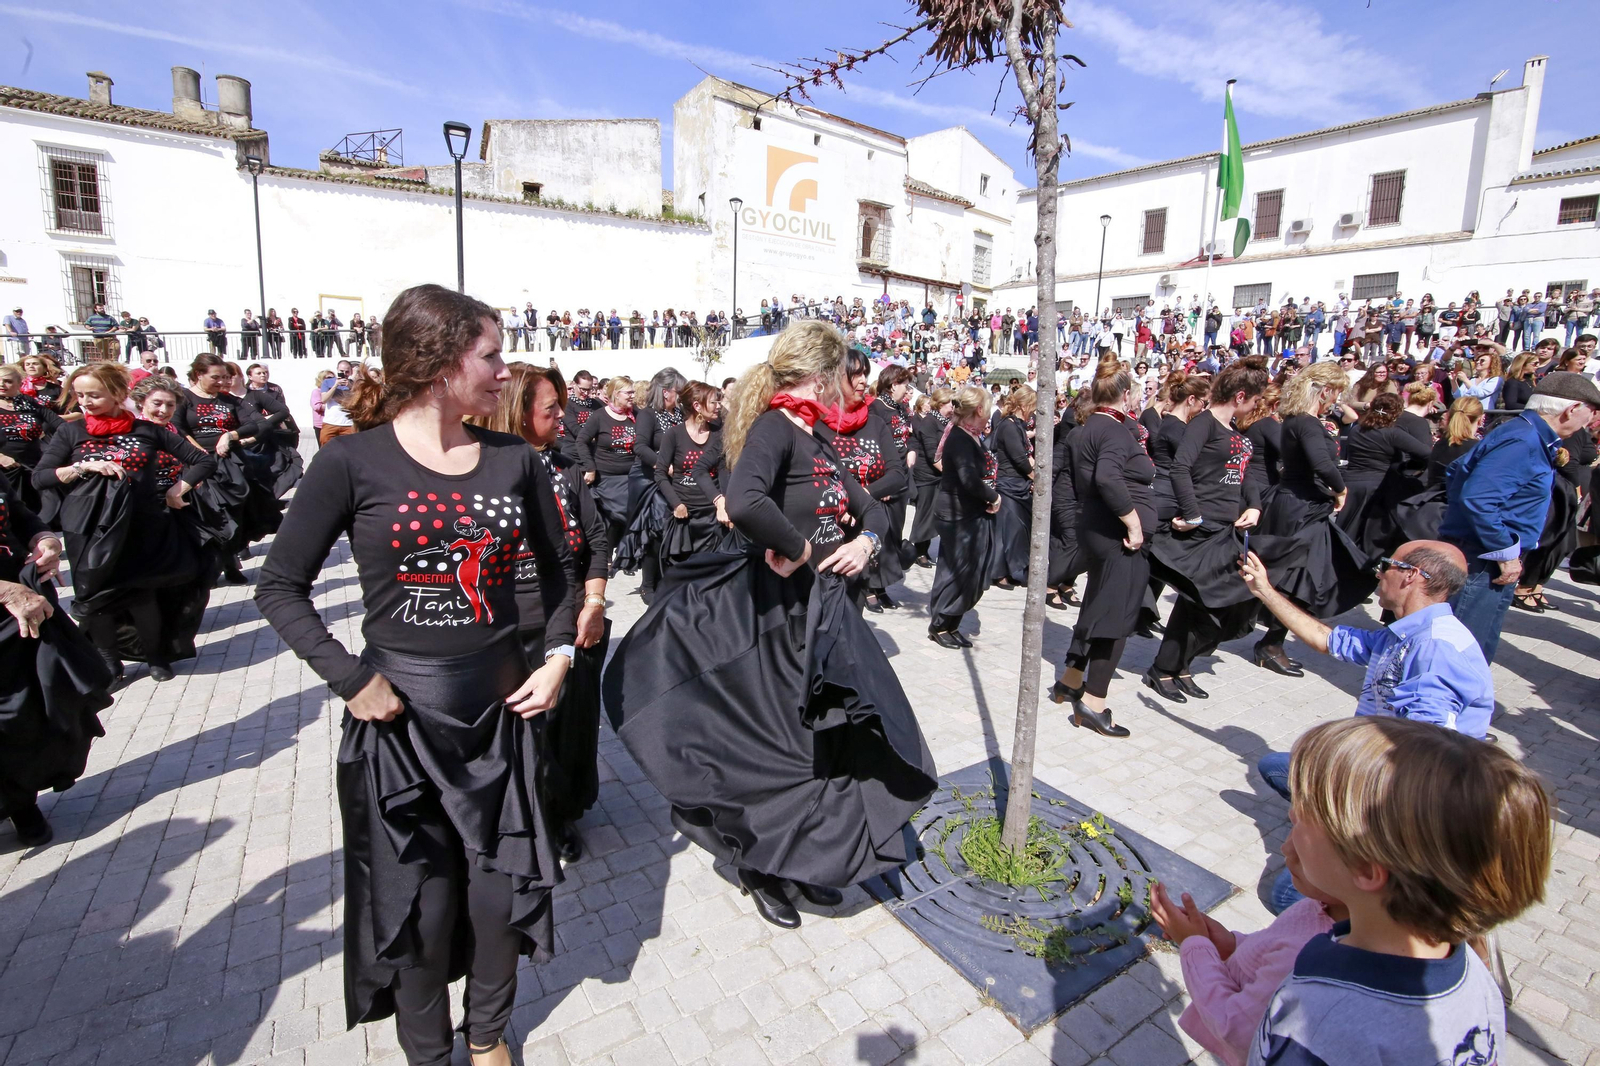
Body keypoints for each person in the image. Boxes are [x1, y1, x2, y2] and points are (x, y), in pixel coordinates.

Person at [254, 284, 577, 1066]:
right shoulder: (349, 462)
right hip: (401, 723)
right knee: (424, 911)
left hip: (503, 714)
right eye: (492, 355)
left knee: (498, 899)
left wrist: (562, 655)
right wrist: (349, 678)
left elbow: (562, 572)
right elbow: (278, 586)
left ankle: (490, 1035)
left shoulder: (516, 460)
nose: (506, 372)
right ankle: (429, 1053)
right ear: (439, 363)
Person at [601, 319, 937, 931]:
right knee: (780, 748)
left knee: (826, 742)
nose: (850, 385)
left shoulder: (817, 436)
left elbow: (870, 508)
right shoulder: (774, 429)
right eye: (843, 374)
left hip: (825, 612)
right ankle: (761, 867)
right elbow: (750, 500)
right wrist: (802, 549)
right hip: (777, 617)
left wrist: (866, 541)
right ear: (821, 374)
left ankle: (804, 858)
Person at [1244, 716, 1550, 1066]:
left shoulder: (1322, 1019)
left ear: (1365, 867)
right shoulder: (1477, 980)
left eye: (1303, 814)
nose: (1291, 813)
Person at [471, 363, 608, 865]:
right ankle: (515, 821)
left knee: (565, 729)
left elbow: (595, 538)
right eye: (551, 409)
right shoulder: (476, 472)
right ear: (517, 413)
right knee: (514, 737)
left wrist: (592, 605)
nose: (563, 416)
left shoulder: (566, 468)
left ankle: (557, 813)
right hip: (504, 631)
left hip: (569, 621)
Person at [34, 362, 215, 684]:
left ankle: (155, 656)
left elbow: (203, 460)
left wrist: (178, 489)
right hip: (88, 528)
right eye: (79, 395)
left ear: (119, 394)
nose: (85, 402)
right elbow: (41, 478)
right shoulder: (70, 431)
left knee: (143, 596)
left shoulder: (148, 431)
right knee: (97, 598)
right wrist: (82, 468)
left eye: (94, 395)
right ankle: (108, 659)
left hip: (141, 524)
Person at [1439, 372, 1600, 663]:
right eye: (1591, 411)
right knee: (1462, 652)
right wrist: (1505, 550)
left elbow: (1457, 473)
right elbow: (1478, 498)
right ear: (1572, 409)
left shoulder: (1524, 432)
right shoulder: (1523, 439)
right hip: (1483, 559)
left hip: (1484, 553)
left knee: (1474, 649)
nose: (1590, 421)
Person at [1153, 823, 1343, 1066]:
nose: (1285, 847)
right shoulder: (1322, 904)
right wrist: (1232, 945)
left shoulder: (1308, 956)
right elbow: (1273, 945)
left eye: (1305, 836)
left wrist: (1193, 944)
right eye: (1292, 825)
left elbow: (1235, 1028)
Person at [1144, 358, 1277, 702]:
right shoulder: (1203, 424)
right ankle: (1165, 669)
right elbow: (1180, 468)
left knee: (1224, 604)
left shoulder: (1234, 431)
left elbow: (1245, 474)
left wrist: (1254, 505)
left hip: (1227, 528)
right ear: (1241, 395)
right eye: (1254, 400)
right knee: (1198, 603)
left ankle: (1179, 665)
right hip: (1203, 528)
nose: (1255, 406)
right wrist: (1192, 515)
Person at [1047, 359, 1155, 738]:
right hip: (1117, 535)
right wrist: (1134, 521)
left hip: (1098, 529)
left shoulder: (1088, 425)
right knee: (1117, 618)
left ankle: (1072, 678)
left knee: (1096, 606)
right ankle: (1093, 703)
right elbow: (1107, 477)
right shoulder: (1112, 430)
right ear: (1126, 394)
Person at [0, 476, 108, 849]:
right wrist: (4, 589)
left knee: (29, 711)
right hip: (11, 596)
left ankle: (20, 802)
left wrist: (45, 540)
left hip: (22, 612)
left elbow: (19, 514)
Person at [1251, 362, 1373, 677]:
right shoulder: (1305, 423)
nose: (1337, 399)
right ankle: (1271, 644)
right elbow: (1322, 463)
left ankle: (1272, 641)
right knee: (1299, 579)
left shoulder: (1295, 421)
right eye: (1335, 392)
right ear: (1324, 390)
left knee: (1297, 578)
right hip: (1302, 508)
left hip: (1296, 504)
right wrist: (1341, 490)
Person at [926, 385, 1001, 647]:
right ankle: (940, 624)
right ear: (979, 409)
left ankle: (952, 621)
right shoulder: (959, 437)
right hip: (956, 514)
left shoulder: (972, 435)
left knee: (972, 571)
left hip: (971, 512)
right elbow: (968, 478)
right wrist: (993, 496)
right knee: (956, 571)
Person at [615, 368, 685, 603]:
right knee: (654, 529)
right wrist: (663, 463)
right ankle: (648, 584)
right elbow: (641, 447)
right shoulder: (649, 415)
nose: (681, 395)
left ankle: (668, 577)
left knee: (674, 528)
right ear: (666, 392)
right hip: (648, 477)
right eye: (678, 391)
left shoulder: (680, 413)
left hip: (674, 478)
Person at [654, 381, 728, 571]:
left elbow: (723, 472)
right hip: (684, 517)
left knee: (709, 572)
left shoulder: (719, 435)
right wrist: (676, 504)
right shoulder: (674, 435)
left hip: (712, 518)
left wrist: (724, 504)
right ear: (697, 406)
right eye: (713, 402)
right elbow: (660, 473)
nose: (718, 405)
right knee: (681, 573)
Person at [575, 376, 636, 571]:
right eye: (629, 392)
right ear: (616, 394)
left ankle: (623, 555)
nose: (633, 396)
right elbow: (581, 441)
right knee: (613, 519)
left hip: (632, 477)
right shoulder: (600, 416)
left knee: (625, 518)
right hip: (607, 478)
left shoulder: (637, 415)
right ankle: (607, 557)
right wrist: (590, 467)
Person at [0, 363, 66, 513]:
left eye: (7, 381)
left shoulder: (28, 402)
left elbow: (59, 424)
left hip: (32, 465)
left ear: (19, 383)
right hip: (4, 469)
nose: (1, 385)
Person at [906, 387, 952, 568]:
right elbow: (933, 454)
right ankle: (918, 551)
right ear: (941, 404)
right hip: (927, 475)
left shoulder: (945, 422)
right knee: (924, 514)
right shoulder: (929, 423)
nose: (953, 406)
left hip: (938, 475)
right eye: (950, 403)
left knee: (932, 516)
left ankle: (922, 549)